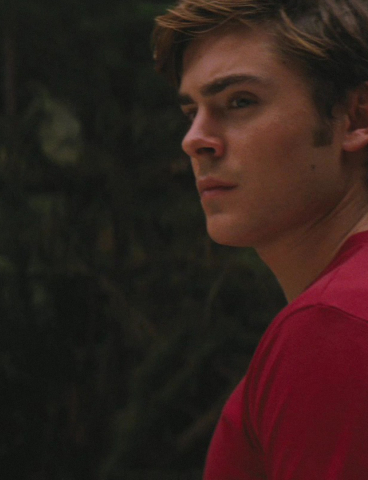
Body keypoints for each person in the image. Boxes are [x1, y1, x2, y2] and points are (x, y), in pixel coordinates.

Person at [152, 0, 368, 478]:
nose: (195, 139)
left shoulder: (334, 327)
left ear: (355, 118)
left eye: (240, 102)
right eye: (191, 111)